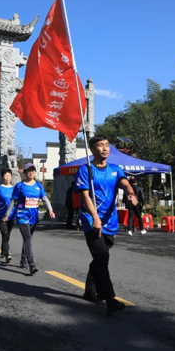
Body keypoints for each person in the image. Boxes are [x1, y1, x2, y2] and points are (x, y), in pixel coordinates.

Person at [74, 135, 138, 315]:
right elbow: (85, 196)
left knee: (100, 258)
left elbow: (125, 183)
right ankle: (110, 299)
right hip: (91, 221)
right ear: (92, 150)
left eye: (107, 145)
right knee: (102, 257)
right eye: (100, 146)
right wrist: (95, 217)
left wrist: (130, 193)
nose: (105, 149)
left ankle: (89, 291)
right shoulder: (86, 169)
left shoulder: (115, 169)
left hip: (111, 222)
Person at [4, 163, 55, 275]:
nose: (31, 172)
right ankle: (31, 264)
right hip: (22, 215)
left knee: (28, 239)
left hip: (34, 215)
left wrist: (50, 210)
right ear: (25, 172)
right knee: (27, 238)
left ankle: (23, 260)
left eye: (33, 170)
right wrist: (7, 214)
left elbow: (44, 198)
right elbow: (13, 201)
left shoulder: (38, 185)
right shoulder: (20, 185)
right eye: (29, 170)